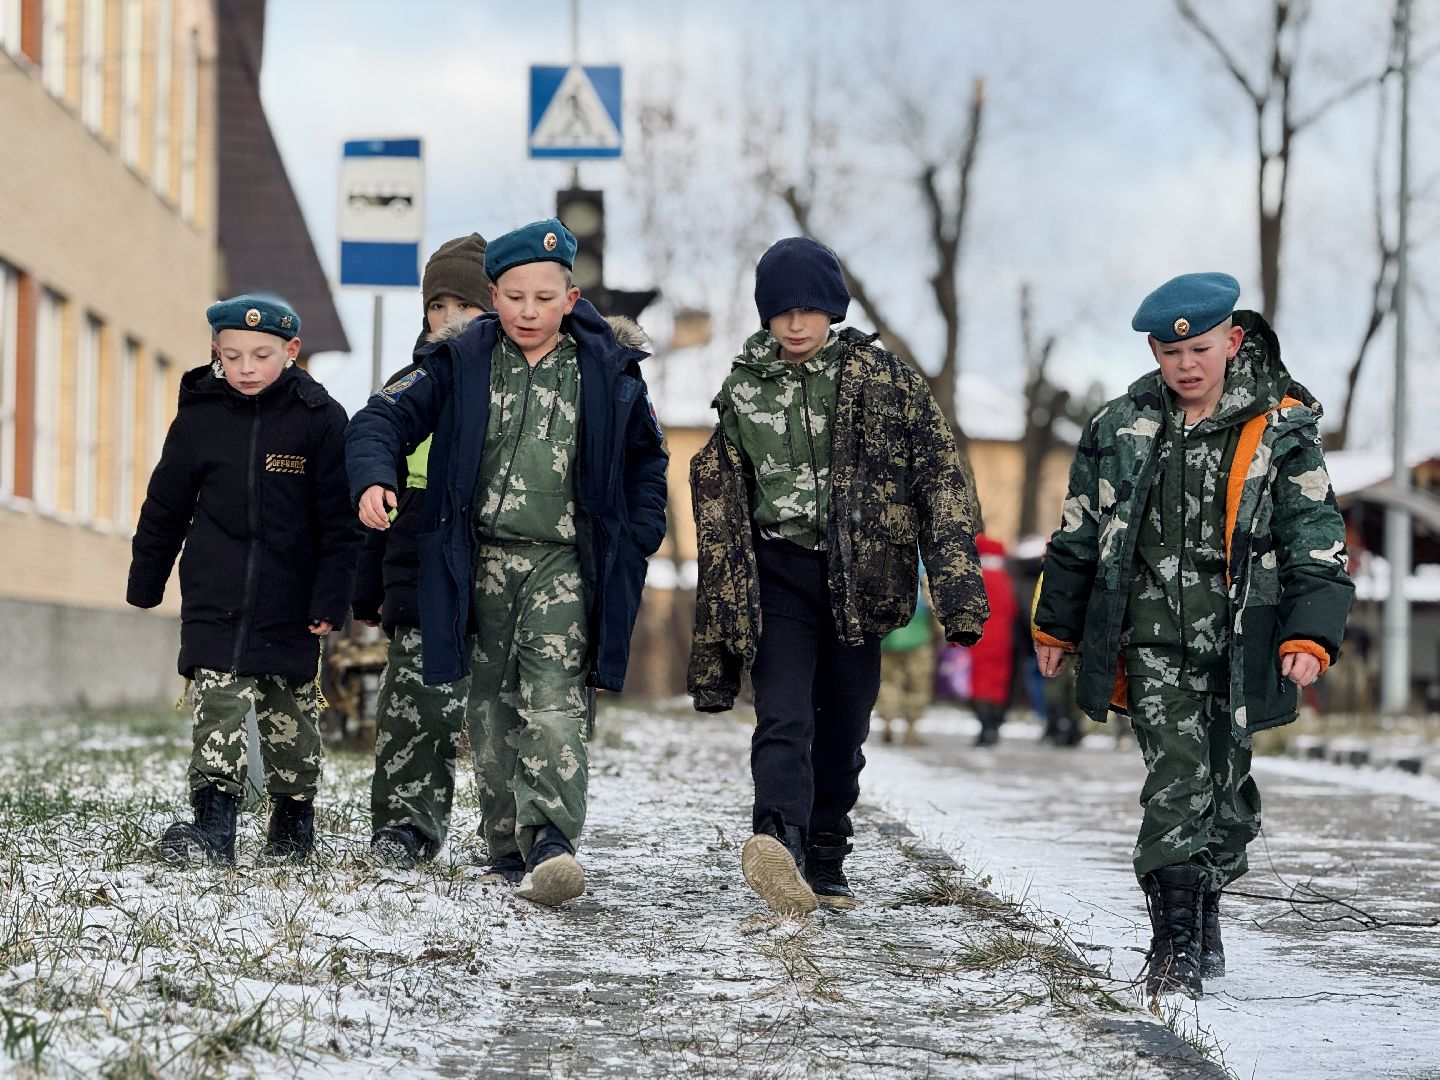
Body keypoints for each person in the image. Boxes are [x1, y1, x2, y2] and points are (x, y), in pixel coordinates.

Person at [1032, 273, 1353, 998]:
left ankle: (1204, 915)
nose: (1185, 365)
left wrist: (1310, 633)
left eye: (1201, 349)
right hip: (1150, 641)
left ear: (1233, 341)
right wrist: (1056, 622)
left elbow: (1316, 537)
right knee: (1176, 781)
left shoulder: (1281, 428)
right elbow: (1078, 532)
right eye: (1169, 351)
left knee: (1227, 789)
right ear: (1153, 350)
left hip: (1245, 641)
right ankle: (1173, 949)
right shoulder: (1119, 426)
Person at [345, 219, 668, 907]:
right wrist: (376, 475)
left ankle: (550, 837)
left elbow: (647, 458)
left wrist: (641, 530)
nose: (528, 311)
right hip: (476, 560)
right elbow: (381, 417)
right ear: (494, 295)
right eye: (515, 296)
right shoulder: (459, 363)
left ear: (571, 297)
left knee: (552, 699)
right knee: (490, 710)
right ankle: (507, 848)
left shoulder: (606, 370)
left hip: (563, 561)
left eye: (544, 298)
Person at [689, 236, 989, 915]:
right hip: (778, 574)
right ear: (765, 315)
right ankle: (778, 844)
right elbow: (725, 493)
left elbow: (941, 480)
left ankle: (825, 854)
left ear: (833, 309)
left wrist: (958, 594)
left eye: (809, 309)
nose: (795, 325)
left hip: (864, 579)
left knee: (843, 726)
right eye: (781, 311)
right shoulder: (742, 389)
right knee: (784, 713)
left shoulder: (885, 380)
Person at [128, 295, 360, 864]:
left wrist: (332, 595)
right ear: (216, 353)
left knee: (291, 719)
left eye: (262, 355)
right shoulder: (199, 417)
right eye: (233, 356)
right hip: (216, 593)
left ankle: (291, 829)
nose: (247, 368)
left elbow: (341, 521)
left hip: (292, 599)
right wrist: (146, 577)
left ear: (291, 351)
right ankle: (213, 830)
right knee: (219, 708)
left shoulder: (319, 419)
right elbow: (166, 505)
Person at [350, 234, 490, 871]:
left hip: (502, 555)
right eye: (439, 303)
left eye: (468, 302)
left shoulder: (523, 381)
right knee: (416, 706)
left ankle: (519, 834)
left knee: (504, 705)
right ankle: (405, 827)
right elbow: (376, 428)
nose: (451, 317)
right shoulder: (417, 379)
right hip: (422, 559)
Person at [966, 533, 1018, 747]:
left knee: (978, 682)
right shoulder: (1006, 578)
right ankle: (994, 725)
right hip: (1003, 639)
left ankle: (985, 725)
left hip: (978, 638)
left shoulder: (976, 576)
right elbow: (1013, 609)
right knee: (997, 681)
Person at [876, 572, 936, 746]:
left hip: (889, 630)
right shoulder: (922, 560)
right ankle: (911, 729)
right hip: (919, 632)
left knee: (888, 682)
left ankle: (888, 722)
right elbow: (932, 595)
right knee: (917, 685)